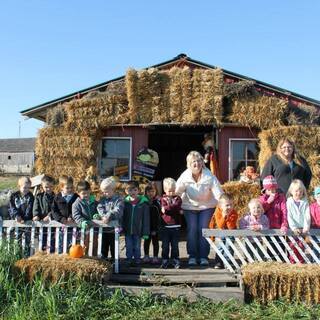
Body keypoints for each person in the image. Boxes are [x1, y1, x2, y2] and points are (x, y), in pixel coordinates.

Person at [176, 151, 223, 266]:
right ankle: (192, 256)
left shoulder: (210, 176)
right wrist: (175, 206)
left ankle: (203, 256)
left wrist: (224, 205)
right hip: (189, 206)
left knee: (204, 230)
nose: (196, 163)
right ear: (188, 164)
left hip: (207, 206)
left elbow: (218, 193)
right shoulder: (184, 176)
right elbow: (177, 192)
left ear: (202, 162)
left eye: (198, 161)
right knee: (192, 229)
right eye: (193, 162)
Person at [259, 175, 288, 260]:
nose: (272, 192)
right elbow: (260, 211)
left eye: (273, 189)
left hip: (279, 227)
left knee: (281, 247)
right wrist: (268, 202)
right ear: (265, 190)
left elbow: (284, 212)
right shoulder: (262, 198)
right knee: (271, 247)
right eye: (269, 190)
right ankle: (272, 262)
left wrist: (284, 224)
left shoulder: (281, 198)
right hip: (268, 228)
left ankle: (282, 263)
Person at [122, 180, 150, 265]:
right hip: (127, 230)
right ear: (126, 191)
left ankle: (137, 258)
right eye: (130, 190)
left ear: (138, 190)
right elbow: (122, 217)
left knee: (137, 246)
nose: (132, 192)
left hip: (138, 230)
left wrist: (145, 232)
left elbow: (146, 219)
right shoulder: (124, 203)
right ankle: (129, 258)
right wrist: (121, 228)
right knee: (129, 245)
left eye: (135, 190)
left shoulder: (143, 204)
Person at [96, 177, 124, 260]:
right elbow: (99, 207)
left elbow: (118, 210)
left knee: (113, 245)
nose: (104, 194)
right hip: (104, 228)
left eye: (106, 192)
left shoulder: (119, 200)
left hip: (114, 228)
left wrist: (109, 216)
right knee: (103, 245)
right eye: (103, 192)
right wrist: (103, 216)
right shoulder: (103, 199)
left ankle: (114, 260)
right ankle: (103, 260)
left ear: (113, 190)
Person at [208, 193, 238, 269]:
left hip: (230, 232)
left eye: (231, 205)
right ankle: (219, 262)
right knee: (220, 246)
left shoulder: (234, 213)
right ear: (221, 206)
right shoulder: (217, 211)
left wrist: (227, 215)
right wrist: (224, 215)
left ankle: (228, 262)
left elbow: (231, 227)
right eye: (227, 205)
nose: (230, 207)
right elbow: (220, 225)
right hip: (220, 231)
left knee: (229, 246)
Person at [52, 175, 79, 252]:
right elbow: (54, 210)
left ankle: (72, 255)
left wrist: (72, 216)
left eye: (71, 187)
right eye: (67, 188)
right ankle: (61, 255)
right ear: (61, 187)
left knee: (73, 242)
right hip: (61, 225)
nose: (70, 189)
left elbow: (77, 209)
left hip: (73, 225)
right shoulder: (57, 197)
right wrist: (60, 218)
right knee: (61, 242)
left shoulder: (76, 197)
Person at [160, 178, 182, 269]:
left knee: (175, 245)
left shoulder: (178, 198)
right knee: (165, 245)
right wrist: (174, 209)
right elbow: (165, 209)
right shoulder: (163, 199)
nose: (171, 193)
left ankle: (175, 259)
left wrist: (168, 208)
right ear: (165, 190)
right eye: (169, 191)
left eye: (173, 191)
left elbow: (176, 206)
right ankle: (165, 259)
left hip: (176, 225)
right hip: (165, 226)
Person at [8, 177, 34, 256]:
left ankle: (26, 255)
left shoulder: (30, 196)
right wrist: (17, 216)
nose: (26, 189)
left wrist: (25, 219)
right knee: (17, 238)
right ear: (19, 186)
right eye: (24, 187)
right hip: (17, 220)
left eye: (28, 188)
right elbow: (11, 207)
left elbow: (30, 208)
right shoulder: (14, 196)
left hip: (26, 221)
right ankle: (16, 254)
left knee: (27, 239)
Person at [286, 179, 311, 263]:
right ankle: (292, 261)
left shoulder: (305, 202)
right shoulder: (289, 202)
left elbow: (307, 215)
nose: (298, 193)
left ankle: (301, 261)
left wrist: (306, 227)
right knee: (293, 245)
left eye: (301, 191)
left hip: (302, 228)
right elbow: (289, 216)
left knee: (301, 245)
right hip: (293, 228)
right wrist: (293, 228)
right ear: (291, 191)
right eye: (296, 191)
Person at [72, 180, 98, 253]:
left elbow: (99, 208)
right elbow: (76, 215)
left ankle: (95, 257)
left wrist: (97, 214)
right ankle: (85, 256)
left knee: (95, 244)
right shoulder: (76, 204)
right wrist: (82, 221)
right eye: (83, 193)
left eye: (88, 193)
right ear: (78, 193)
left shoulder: (94, 201)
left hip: (94, 227)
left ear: (90, 191)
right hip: (83, 228)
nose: (86, 195)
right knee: (84, 244)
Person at [32, 175, 56, 251]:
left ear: (53, 186)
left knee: (52, 240)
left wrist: (49, 215)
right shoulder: (39, 196)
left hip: (52, 222)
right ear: (42, 187)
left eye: (51, 187)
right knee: (42, 239)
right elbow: (35, 206)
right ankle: (43, 252)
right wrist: (36, 215)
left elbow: (55, 209)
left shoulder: (55, 197)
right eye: (46, 187)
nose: (49, 189)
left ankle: (51, 252)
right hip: (41, 222)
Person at [143, 183, 161, 264]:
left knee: (155, 242)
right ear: (146, 192)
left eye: (153, 191)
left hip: (155, 227)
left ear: (156, 191)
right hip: (146, 227)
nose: (151, 193)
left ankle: (155, 257)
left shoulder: (157, 202)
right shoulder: (143, 202)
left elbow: (159, 216)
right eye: (149, 191)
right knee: (146, 242)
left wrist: (156, 228)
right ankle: (146, 256)